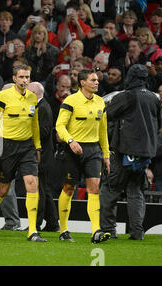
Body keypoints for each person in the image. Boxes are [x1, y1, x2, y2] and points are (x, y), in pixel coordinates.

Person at [0, 64, 46, 242]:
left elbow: (35, 125)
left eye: (27, 77)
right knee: (2, 190)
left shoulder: (33, 98)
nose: (25, 80)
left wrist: (37, 146)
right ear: (14, 78)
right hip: (6, 147)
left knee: (32, 183)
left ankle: (32, 230)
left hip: (27, 147)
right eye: (21, 77)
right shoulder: (3, 96)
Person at [100, 64, 162, 240]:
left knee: (110, 188)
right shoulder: (153, 98)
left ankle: (109, 230)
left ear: (130, 77)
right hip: (145, 153)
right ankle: (137, 232)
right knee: (136, 191)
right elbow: (158, 124)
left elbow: (107, 114)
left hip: (124, 151)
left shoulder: (126, 96)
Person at [55, 68, 110, 243]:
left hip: (93, 150)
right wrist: (71, 141)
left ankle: (96, 231)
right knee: (68, 188)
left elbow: (103, 132)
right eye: (93, 80)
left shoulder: (101, 102)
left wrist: (106, 155)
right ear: (83, 83)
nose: (97, 82)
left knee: (94, 189)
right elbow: (60, 126)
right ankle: (63, 229)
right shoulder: (71, 101)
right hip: (72, 150)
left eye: (97, 80)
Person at [27, 81, 59, 232]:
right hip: (44, 154)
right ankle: (53, 223)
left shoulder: (43, 108)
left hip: (43, 155)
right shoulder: (42, 106)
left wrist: (27, 132)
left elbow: (44, 131)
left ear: (35, 93)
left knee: (39, 190)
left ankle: (36, 223)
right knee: (45, 190)